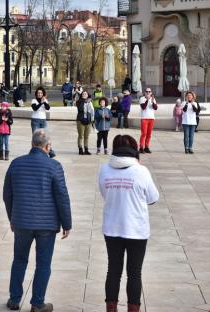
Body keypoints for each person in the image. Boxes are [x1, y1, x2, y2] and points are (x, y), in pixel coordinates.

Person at [3, 129, 71, 312]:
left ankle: (14, 299)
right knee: (43, 264)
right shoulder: (54, 166)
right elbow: (62, 196)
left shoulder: (16, 164)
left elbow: (7, 195)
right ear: (48, 146)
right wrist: (67, 224)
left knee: (19, 260)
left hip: (22, 222)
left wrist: (12, 217)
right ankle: (37, 303)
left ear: (32, 144)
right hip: (47, 225)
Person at [98, 134, 159, 312]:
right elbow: (153, 198)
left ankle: (111, 308)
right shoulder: (141, 171)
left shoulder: (104, 169)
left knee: (113, 271)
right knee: (134, 273)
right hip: (137, 229)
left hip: (112, 228)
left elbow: (104, 194)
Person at [31, 86, 55, 158]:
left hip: (43, 120)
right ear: (36, 94)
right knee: (36, 137)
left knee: (45, 136)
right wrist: (41, 103)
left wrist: (44, 102)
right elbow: (35, 108)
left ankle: (50, 151)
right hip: (35, 120)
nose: (39, 94)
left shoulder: (45, 100)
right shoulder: (34, 100)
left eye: (41, 93)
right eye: (38, 93)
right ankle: (34, 152)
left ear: (43, 94)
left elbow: (48, 108)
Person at [139, 88, 158, 153]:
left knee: (149, 134)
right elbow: (143, 107)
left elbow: (155, 108)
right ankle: (141, 147)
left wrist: (152, 102)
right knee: (144, 133)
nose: (148, 93)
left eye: (149, 91)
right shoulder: (142, 99)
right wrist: (147, 100)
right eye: (147, 91)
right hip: (144, 118)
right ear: (145, 92)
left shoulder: (153, 99)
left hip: (151, 118)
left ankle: (146, 147)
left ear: (151, 93)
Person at [76, 90, 94, 155]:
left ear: (88, 95)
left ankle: (86, 149)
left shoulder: (90, 102)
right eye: (83, 94)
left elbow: (92, 111)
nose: (84, 95)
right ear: (81, 95)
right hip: (80, 120)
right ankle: (80, 149)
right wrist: (84, 102)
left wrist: (92, 119)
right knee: (81, 135)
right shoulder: (79, 102)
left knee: (87, 136)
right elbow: (81, 109)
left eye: (85, 94)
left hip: (88, 121)